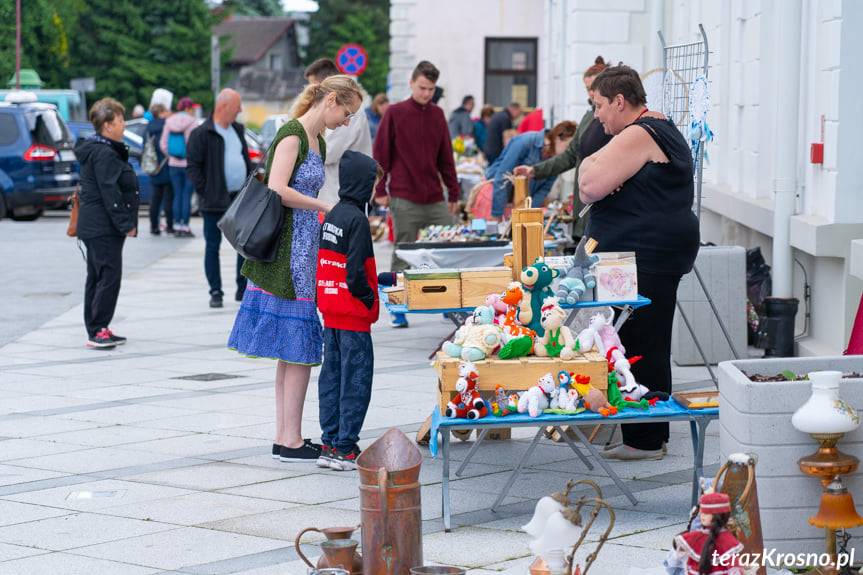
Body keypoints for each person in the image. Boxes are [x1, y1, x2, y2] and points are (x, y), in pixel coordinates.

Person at [229, 75, 363, 462]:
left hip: (302, 249)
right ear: (332, 100)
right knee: (300, 349)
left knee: (293, 351)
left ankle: (287, 436)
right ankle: (288, 438)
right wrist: (326, 207)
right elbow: (277, 189)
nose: (346, 121)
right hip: (289, 254)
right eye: (347, 112)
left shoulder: (315, 139)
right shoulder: (294, 135)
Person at [578, 65, 699, 460]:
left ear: (619, 100)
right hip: (649, 252)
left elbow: (589, 187)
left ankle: (644, 440)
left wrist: (591, 165)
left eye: (598, 105)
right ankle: (646, 433)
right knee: (640, 337)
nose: (596, 115)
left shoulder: (640, 132)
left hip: (646, 255)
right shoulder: (651, 129)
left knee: (639, 340)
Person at [373, 60, 459, 328]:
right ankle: (397, 304)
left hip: (434, 197)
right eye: (422, 87)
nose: (425, 93)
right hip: (403, 195)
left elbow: (446, 157)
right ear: (411, 83)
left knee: (445, 249)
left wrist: (454, 192)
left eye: (431, 89)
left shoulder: (437, 115)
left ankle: (446, 303)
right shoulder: (395, 113)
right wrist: (379, 189)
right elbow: (381, 154)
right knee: (403, 251)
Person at [315, 151, 381, 471]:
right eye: (373, 184)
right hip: (353, 314)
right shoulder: (357, 219)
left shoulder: (334, 214)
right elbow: (356, 271)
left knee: (332, 377)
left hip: (331, 311)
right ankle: (346, 447)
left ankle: (329, 442)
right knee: (356, 380)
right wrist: (369, 297)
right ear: (363, 183)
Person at [515, 56, 611, 240]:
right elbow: (569, 156)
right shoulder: (587, 118)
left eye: (594, 87)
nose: (591, 94)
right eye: (587, 89)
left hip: (601, 207)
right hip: (584, 204)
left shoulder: (612, 121)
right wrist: (534, 170)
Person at [74, 98, 139, 349]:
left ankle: (96, 327)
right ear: (108, 125)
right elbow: (109, 193)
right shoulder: (104, 153)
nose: (124, 125)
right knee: (108, 276)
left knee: (98, 275)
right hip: (102, 227)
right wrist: (125, 224)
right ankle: (98, 330)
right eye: (121, 120)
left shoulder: (100, 149)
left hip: (96, 226)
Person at [186, 89, 254, 308]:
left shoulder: (237, 129)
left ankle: (242, 288)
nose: (240, 110)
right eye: (237, 106)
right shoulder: (202, 133)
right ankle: (215, 291)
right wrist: (205, 190)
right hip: (214, 200)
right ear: (224, 106)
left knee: (243, 246)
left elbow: (245, 158)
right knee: (212, 246)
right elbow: (193, 167)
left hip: (239, 198)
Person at [305, 58, 372, 207]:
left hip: (339, 196)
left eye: (314, 86)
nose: (311, 92)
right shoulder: (337, 111)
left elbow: (327, 153)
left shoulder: (349, 111)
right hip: (334, 196)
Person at [485, 120, 576, 219]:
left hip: (515, 205)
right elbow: (502, 176)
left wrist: (527, 214)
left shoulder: (556, 162)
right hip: (494, 198)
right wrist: (496, 214)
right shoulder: (526, 141)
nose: (568, 151)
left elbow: (543, 190)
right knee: (486, 231)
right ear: (559, 137)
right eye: (568, 146)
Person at [160, 96, 197, 237]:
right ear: (188, 108)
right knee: (187, 195)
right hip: (189, 164)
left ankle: (176, 226)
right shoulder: (193, 122)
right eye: (191, 108)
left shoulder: (169, 121)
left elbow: (163, 144)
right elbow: (196, 145)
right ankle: (185, 227)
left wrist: (171, 156)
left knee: (177, 194)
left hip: (173, 164)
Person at [146, 103, 173, 235]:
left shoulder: (148, 127)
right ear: (161, 113)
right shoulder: (167, 125)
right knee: (169, 198)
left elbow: (144, 147)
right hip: (167, 165)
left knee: (155, 199)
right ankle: (170, 225)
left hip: (154, 166)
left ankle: (154, 227)